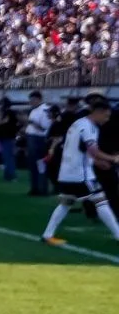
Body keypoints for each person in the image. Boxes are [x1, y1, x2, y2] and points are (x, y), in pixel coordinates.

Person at [43, 94, 119, 246]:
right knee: (101, 201)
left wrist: (97, 161)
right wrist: (112, 158)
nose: (107, 119)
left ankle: (47, 235)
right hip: (81, 174)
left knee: (66, 203)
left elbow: (82, 149)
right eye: (106, 116)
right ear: (97, 112)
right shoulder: (89, 127)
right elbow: (93, 150)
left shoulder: (78, 123)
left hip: (67, 172)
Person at [23, 91, 55, 196]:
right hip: (32, 138)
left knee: (41, 165)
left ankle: (42, 188)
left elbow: (44, 127)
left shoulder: (45, 110)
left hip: (39, 139)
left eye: (33, 100)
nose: (31, 102)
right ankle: (35, 188)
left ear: (38, 99)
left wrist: (31, 123)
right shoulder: (34, 110)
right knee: (33, 165)